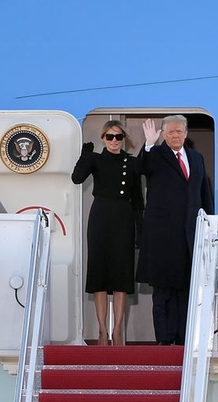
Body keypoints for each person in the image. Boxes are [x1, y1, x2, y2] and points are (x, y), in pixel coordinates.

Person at [136, 115, 214, 345]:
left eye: (179, 131)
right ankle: (164, 339)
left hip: (189, 236)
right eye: (170, 132)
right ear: (163, 133)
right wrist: (149, 144)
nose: (175, 135)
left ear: (186, 133)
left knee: (186, 292)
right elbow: (140, 168)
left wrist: (208, 224)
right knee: (163, 293)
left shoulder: (196, 158)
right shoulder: (156, 155)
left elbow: (203, 194)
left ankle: (183, 338)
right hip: (162, 236)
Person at [71, 120, 144, 346]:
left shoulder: (131, 163)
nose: (114, 141)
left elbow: (138, 200)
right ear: (103, 138)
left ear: (124, 140)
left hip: (123, 217)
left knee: (121, 276)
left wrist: (139, 229)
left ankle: (117, 330)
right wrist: (85, 156)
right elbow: (77, 178)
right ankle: (102, 330)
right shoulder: (95, 159)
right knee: (99, 275)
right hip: (100, 216)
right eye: (110, 137)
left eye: (118, 137)